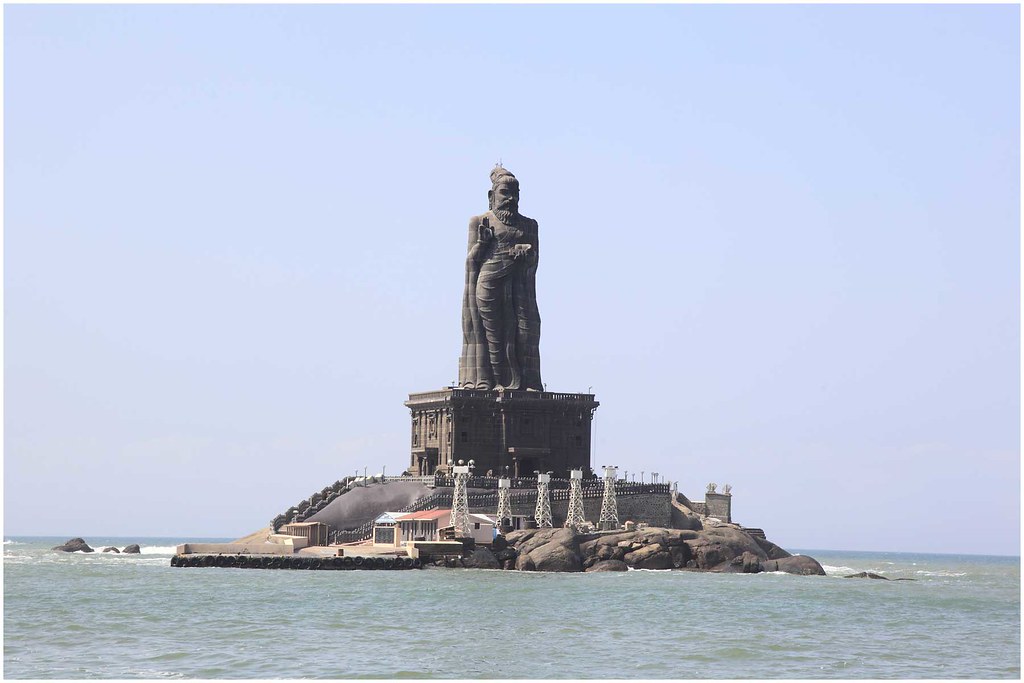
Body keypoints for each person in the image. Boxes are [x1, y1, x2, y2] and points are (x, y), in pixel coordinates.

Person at [459, 165, 543, 391]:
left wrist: (527, 257)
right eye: (505, 193)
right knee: (492, 337)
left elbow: (535, 260)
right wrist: (482, 243)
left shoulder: (530, 225)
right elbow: (471, 260)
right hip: (489, 286)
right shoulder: (480, 221)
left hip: (521, 287)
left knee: (528, 330)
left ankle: (528, 382)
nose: (511, 199)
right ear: (491, 196)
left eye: (515, 194)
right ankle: (493, 382)